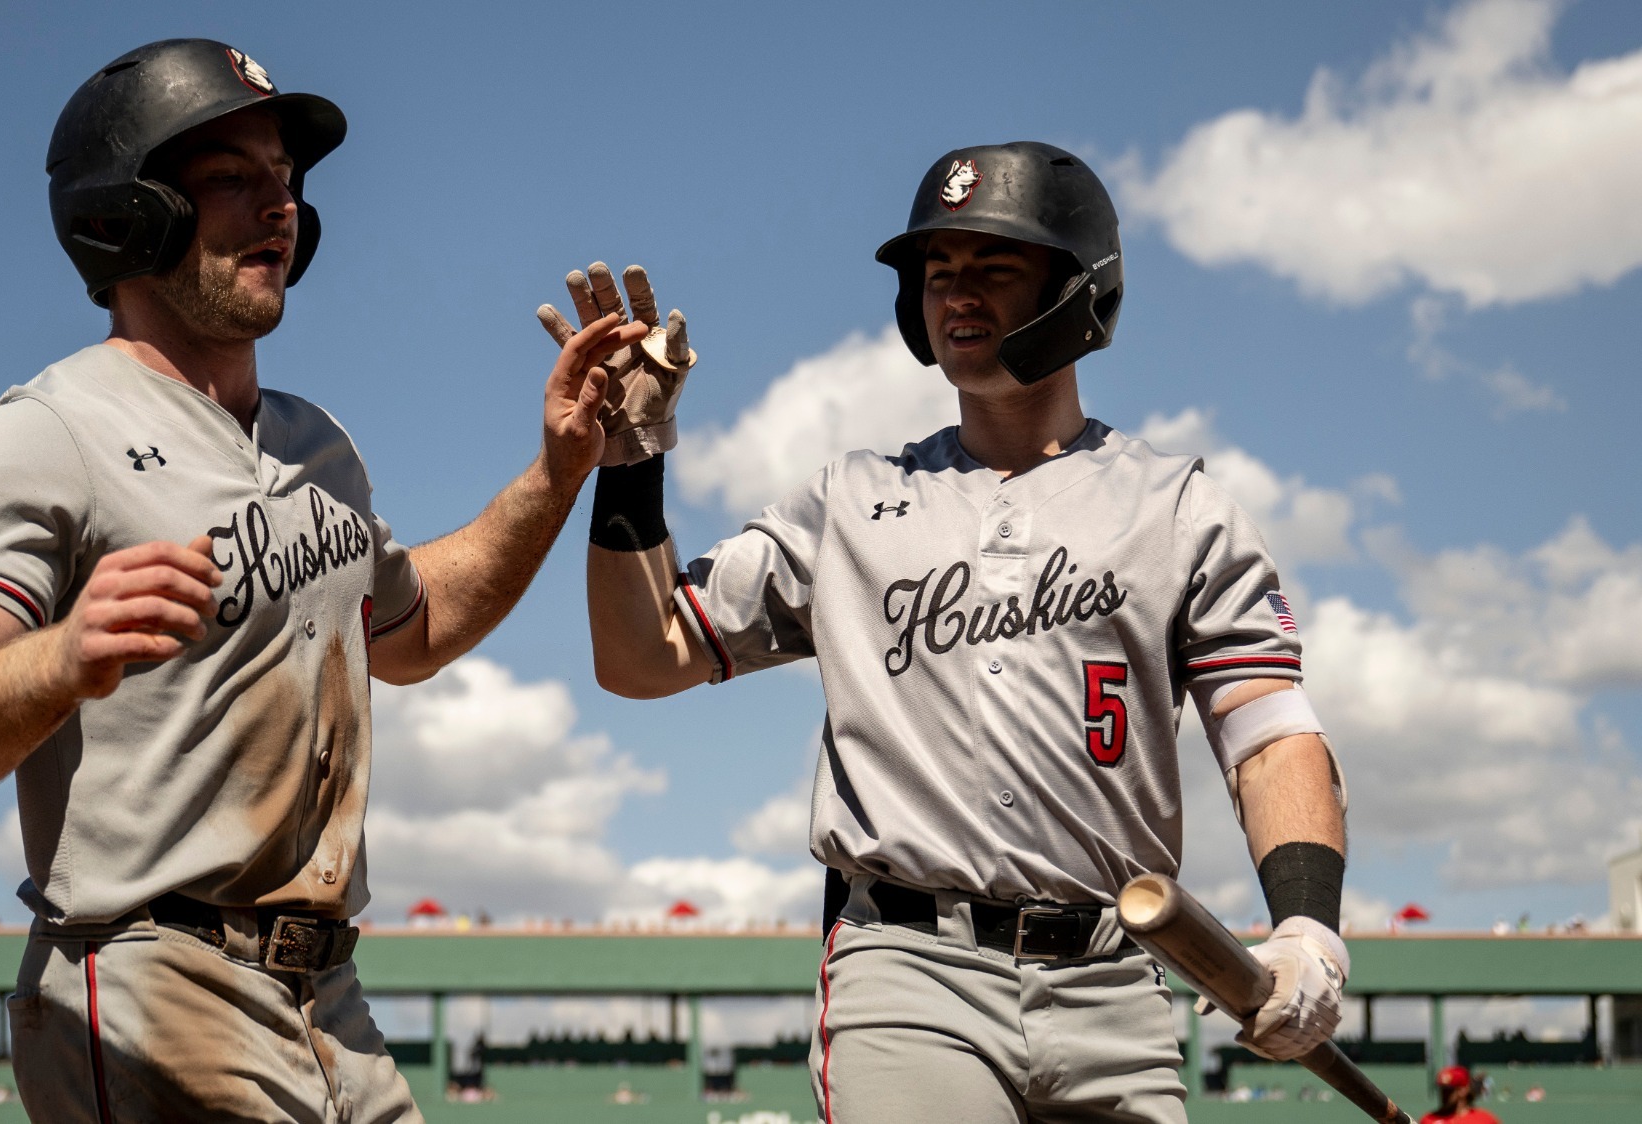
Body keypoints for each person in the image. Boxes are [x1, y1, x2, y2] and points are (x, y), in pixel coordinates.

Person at [0, 39, 646, 1123]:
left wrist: (561, 470)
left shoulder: (317, 446)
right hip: (152, 987)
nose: (281, 208)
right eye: (234, 178)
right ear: (126, 216)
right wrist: (60, 656)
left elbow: (413, 631)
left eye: (289, 183)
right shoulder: (47, 433)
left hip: (327, 997)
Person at [561, 144, 1350, 1122]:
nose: (955, 293)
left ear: (1075, 289)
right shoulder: (847, 503)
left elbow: (1270, 733)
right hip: (908, 966)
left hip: (1116, 974)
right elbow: (641, 657)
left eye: (994, 266)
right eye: (937, 273)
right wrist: (630, 457)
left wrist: (1307, 930)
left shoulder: (1181, 508)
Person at [1421, 1066, 1501, 1123]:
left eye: (1449, 1090)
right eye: (1442, 1089)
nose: (1443, 1094)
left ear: (1463, 1090)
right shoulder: (1429, 1119)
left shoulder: (1484, 1120)